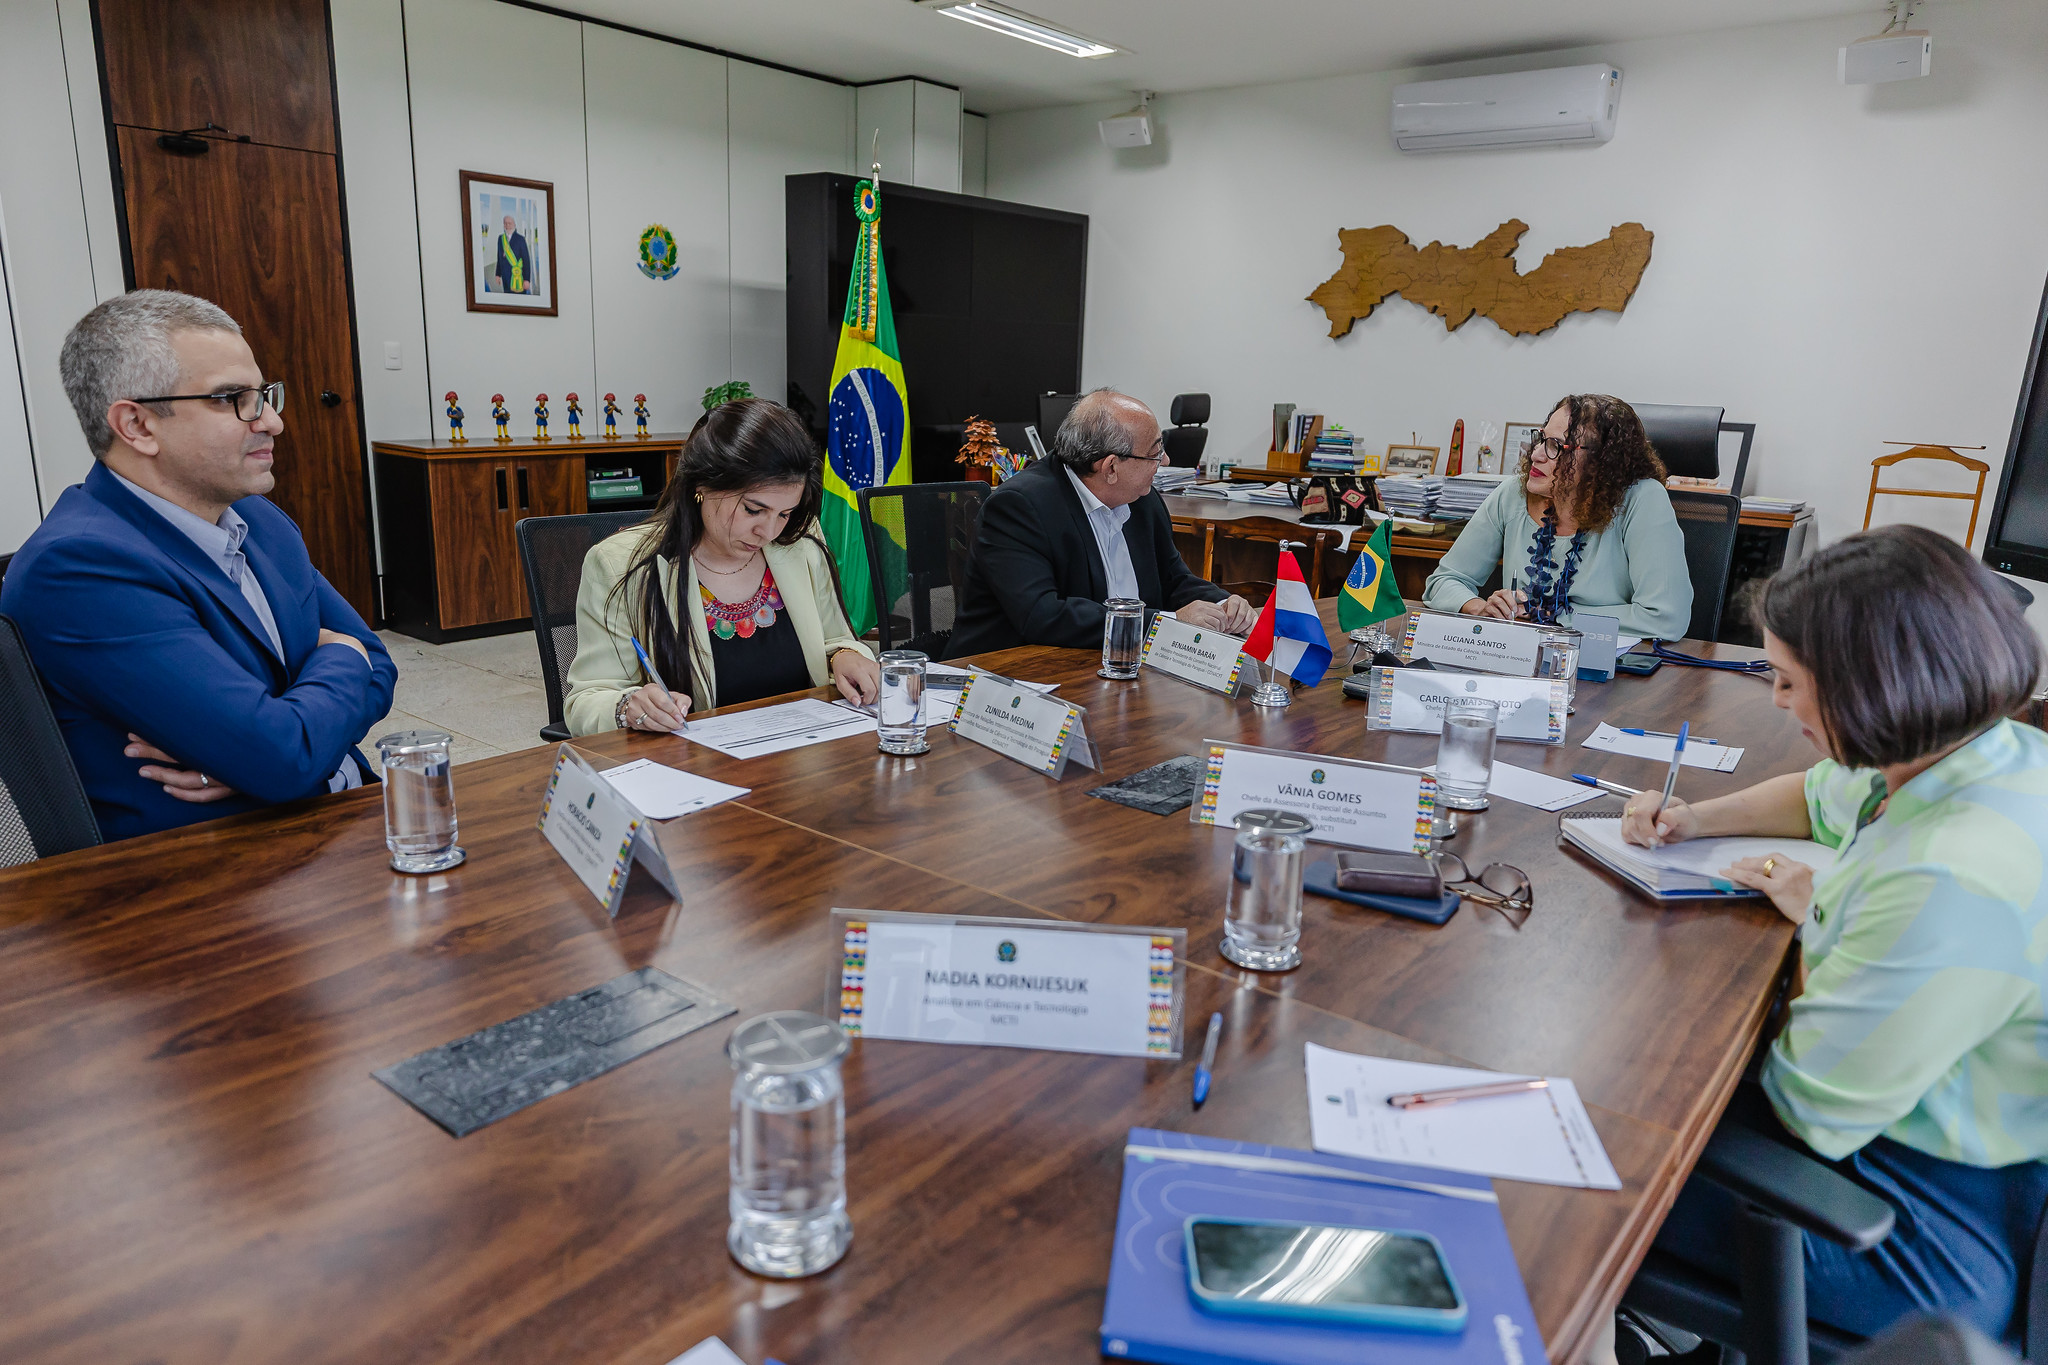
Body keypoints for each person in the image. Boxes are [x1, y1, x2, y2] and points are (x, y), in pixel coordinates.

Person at [1622, 525, 2048, 1349]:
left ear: (1870, 687)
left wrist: (1821, 924)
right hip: (1944, 1147)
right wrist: (1693, 820)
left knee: (1582, 1150)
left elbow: (1808, 1108)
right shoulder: (1990, 752)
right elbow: (1822, 795)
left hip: (1922, 1221)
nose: (1776, 701)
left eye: (1787, 681)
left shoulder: (1952, 878)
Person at [0, 290, 396, 842]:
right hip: (218, 878)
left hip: (340, 823)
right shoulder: (79, 566)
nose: (273, 421)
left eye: (264, 394)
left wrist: (256, 753)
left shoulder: (259, 519)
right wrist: (332, 671)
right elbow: (284, 754)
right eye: (232, 398)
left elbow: (379, 661)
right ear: (137, 426)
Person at [565, 398, 877, 733]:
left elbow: (836, 638)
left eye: (784, 513)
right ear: (702, 486)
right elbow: (588, 698)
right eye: (753, 510)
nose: (769, 531)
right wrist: (628, 707)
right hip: (695, 772)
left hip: (802, 758)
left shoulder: (798, 544)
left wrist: (843, 656)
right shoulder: (620, 564)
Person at [945, 389, 1257, 658]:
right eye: (1155, 452)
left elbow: (1173, 579)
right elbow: (1043, 616)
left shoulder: (1141, 497)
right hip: (1014, 677)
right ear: (1110, 468)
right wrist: (1168, 623)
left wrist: (1223, 603)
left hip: (1115, 664)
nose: (1165, 462)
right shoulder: (1018, 507)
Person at [1422, 393, 1692, 639]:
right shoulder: (1512, 494)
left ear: (1601, 461)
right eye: (1541, 439)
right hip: (1520, 659)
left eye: (1555, 446)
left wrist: (1554, 616)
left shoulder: (1641, 499)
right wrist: (1481, 609)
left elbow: (1665, 618)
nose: (1536, 454)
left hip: (1612, 671)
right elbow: (1443, 582)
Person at [494, 213, 533, 295]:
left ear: (514, 224)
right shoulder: (500, 238)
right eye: (505, 223)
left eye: (510, 223)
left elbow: (526, 260)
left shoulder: (520, 239)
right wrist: (498, 274)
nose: (507, 225)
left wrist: (527, 279)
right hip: (505, 277)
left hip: (518, 277)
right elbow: (499, 258)